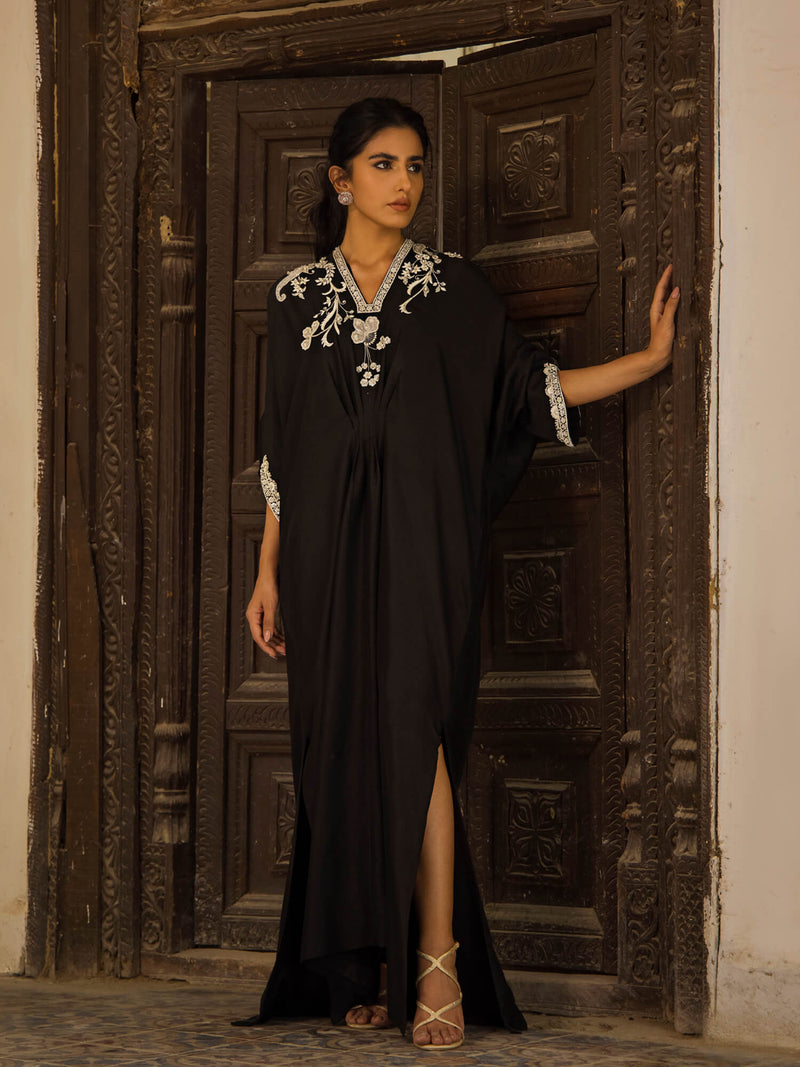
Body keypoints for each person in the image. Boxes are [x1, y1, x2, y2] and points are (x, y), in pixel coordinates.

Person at [239, 97, 679, 1051]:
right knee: (337, 746)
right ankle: (365, 961)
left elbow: (530, 394)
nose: (404, 183)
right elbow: (284, 451)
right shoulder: (293, 298)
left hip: (423, 549)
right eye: (384, 164)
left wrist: (646, 361)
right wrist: (267, 571)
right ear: (340, 179)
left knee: (416, 732)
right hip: (322, 560)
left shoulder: (456, 292)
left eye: (415, 166)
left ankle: (436, 954)